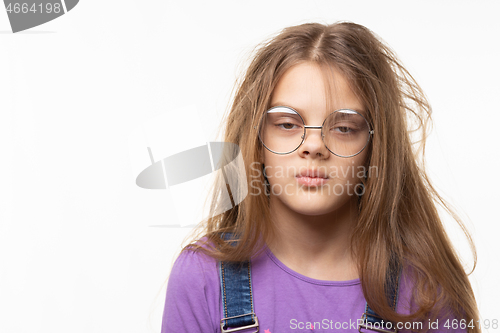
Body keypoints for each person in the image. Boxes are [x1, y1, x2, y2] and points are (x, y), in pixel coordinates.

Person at [160, 22, 481, 332]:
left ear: (376, 147)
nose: (313, 146)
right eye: (287, 124)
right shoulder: (203, 277)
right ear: (256, 141)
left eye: (343, 127)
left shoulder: (426, 293)